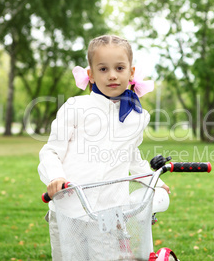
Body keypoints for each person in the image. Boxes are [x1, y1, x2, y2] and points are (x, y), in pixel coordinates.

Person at [38, 34, 169, 260]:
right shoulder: (76, 107)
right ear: (90, 74)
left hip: (110, 211)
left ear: (131, 72)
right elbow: (51, 151)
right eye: (103, 69)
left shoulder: (137, 117)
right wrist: (56, 177)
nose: (112, 75)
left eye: (119, 68)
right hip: (70, 207)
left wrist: (152, 180)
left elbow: (131, 156)